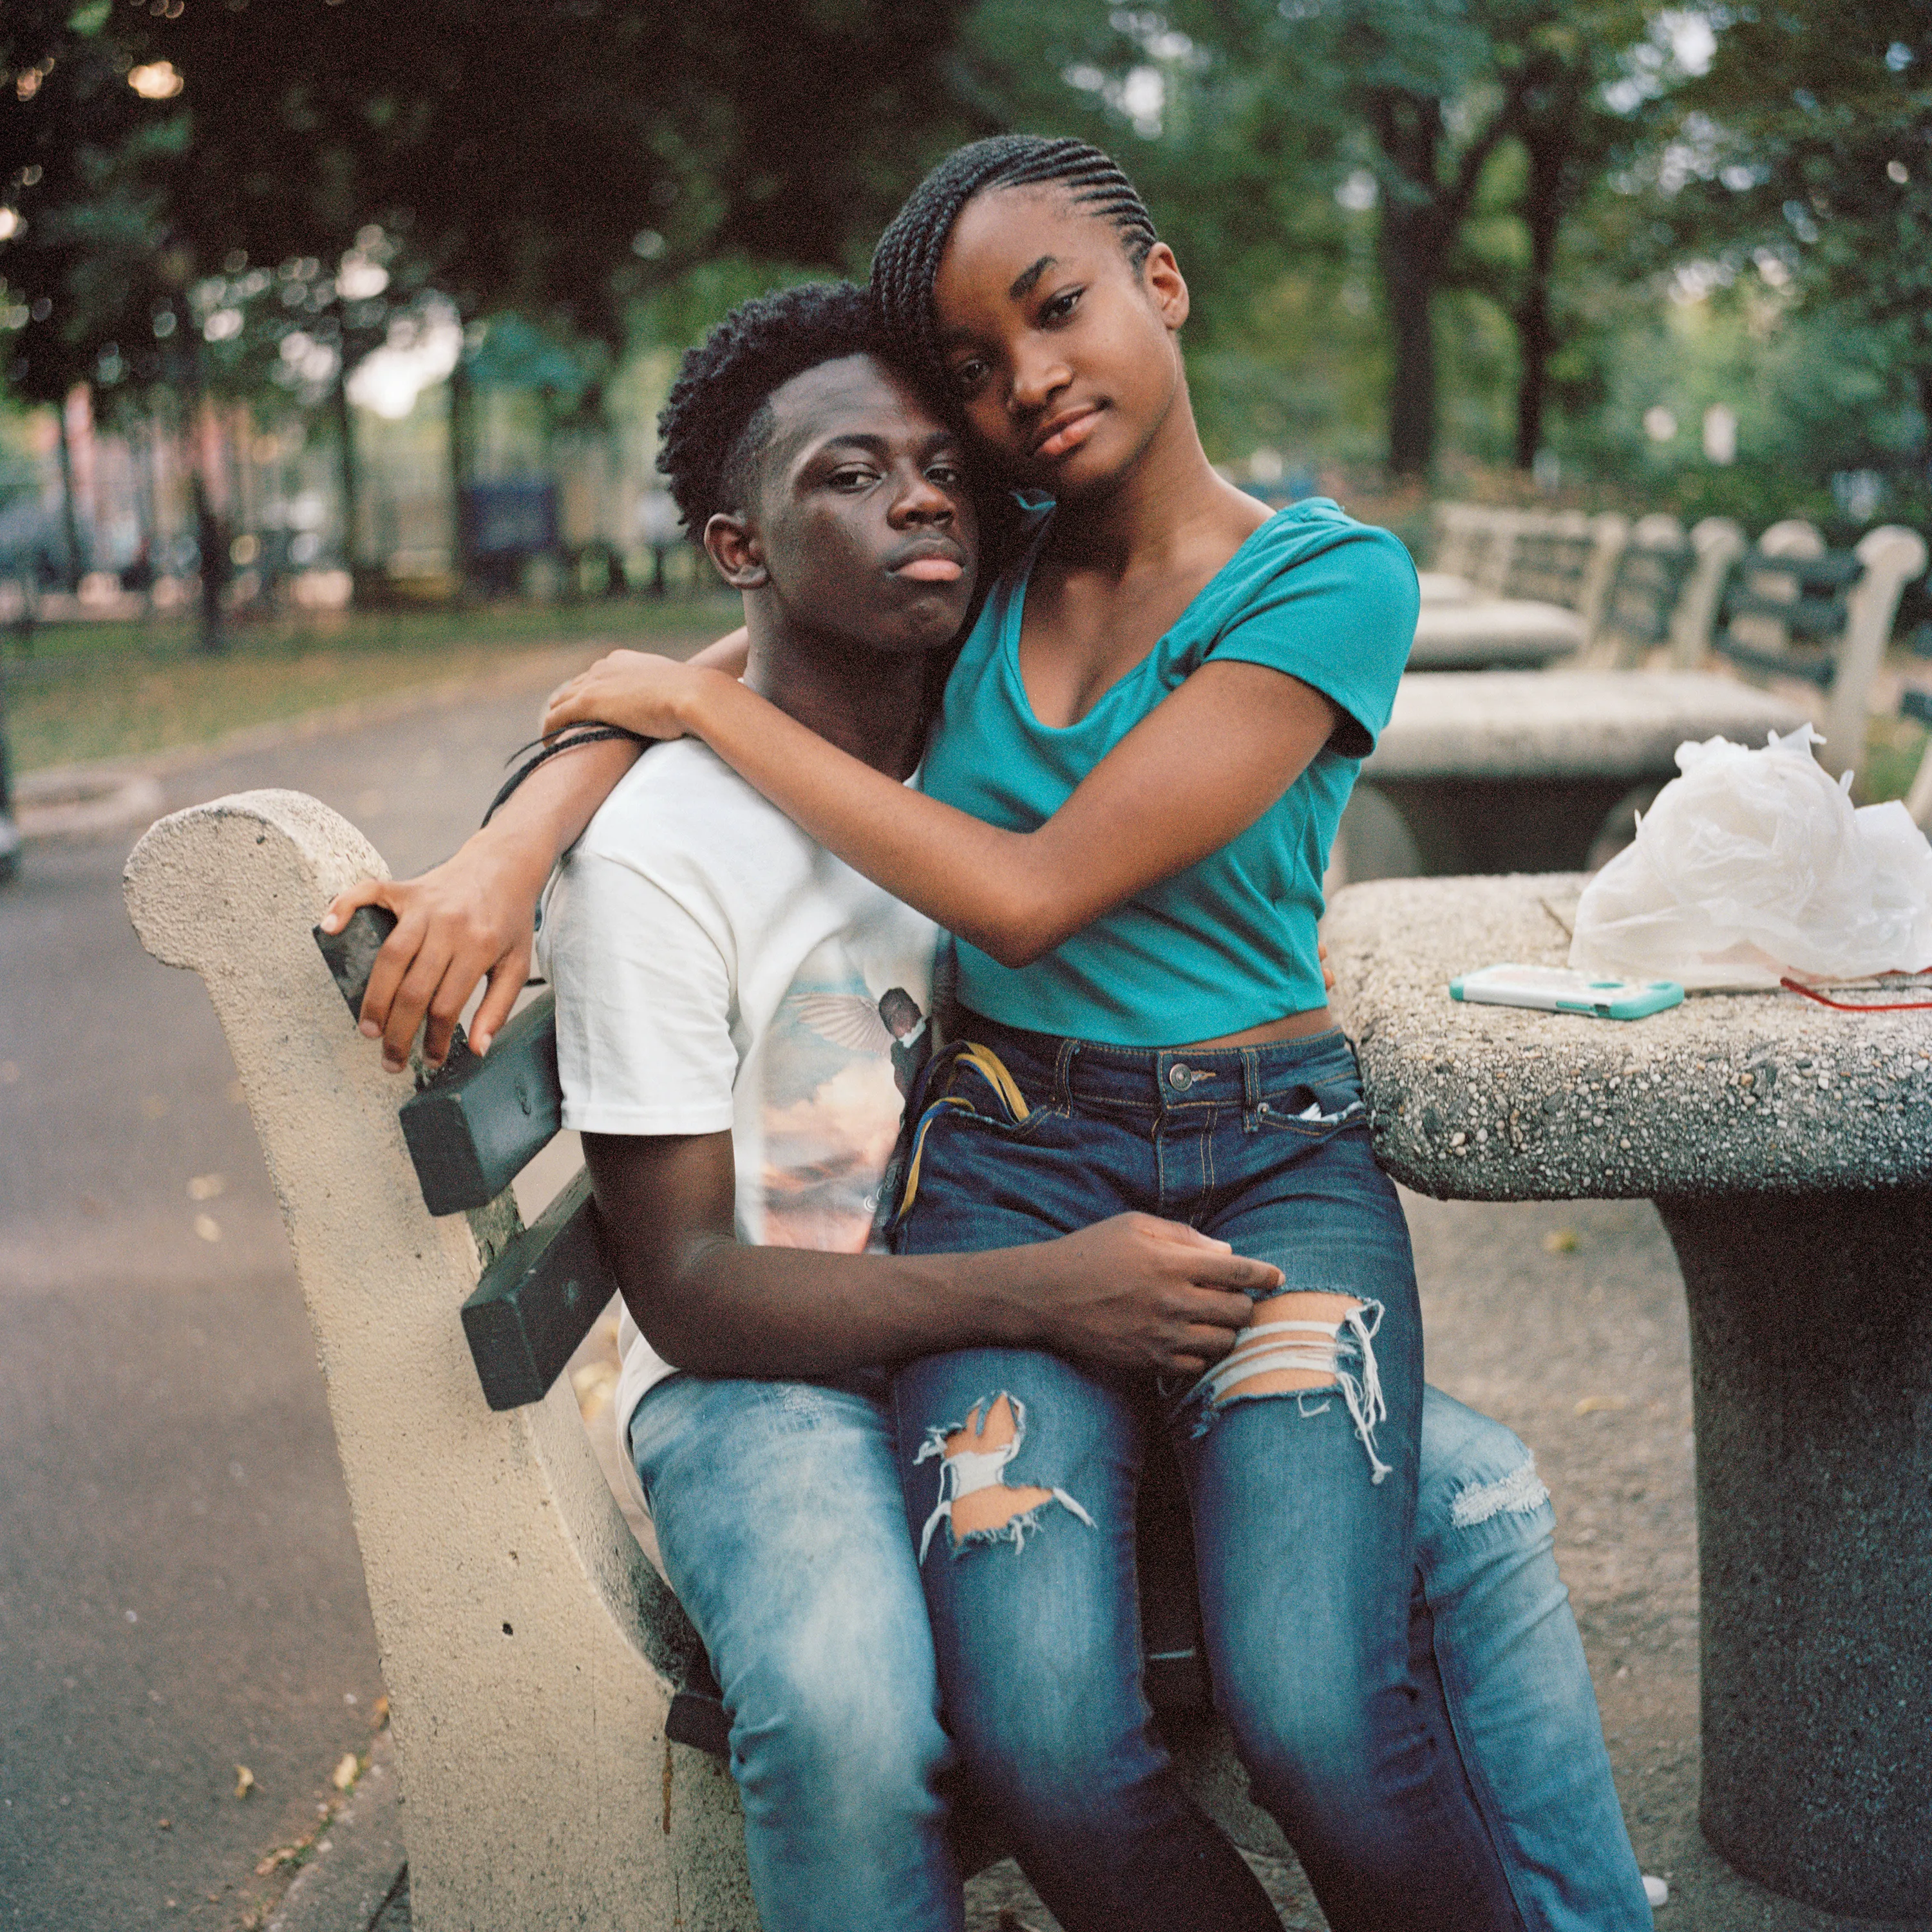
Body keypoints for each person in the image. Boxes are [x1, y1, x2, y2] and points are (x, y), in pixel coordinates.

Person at [530, 138, 1654, 1932]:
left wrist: (678, 706)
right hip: (1008, 1160)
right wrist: (538, 821)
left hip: (1267, 1163)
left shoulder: (1328, 580)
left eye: (1056, 311)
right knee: (1043, 1734)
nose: (1027, 383)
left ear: (1164, 284)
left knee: (1320, 1712)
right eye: (976, 367)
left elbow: (1032, 892)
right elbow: (757, 625)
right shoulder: (991, 564)